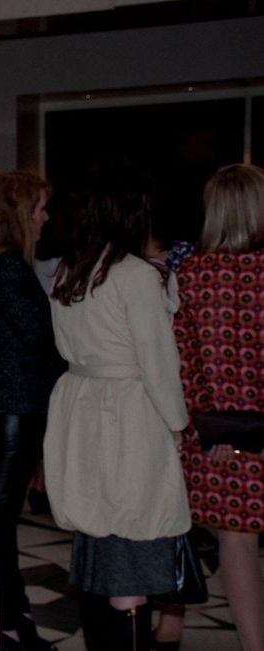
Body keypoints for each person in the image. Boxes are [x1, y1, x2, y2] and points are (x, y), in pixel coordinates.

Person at [43, 165, 190, 650]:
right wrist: (177, 425)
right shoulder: (134, 276)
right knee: (132, 550)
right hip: (129, 416)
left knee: (97, 549)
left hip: (80, 410)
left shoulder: (71, 269)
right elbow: (157, 360)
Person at [158, 163, 263, 651]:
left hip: (224, 440)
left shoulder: (194, 276)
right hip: (239, 433)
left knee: (236, 547)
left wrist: (205, 431)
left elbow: (186, 366)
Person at [0, 170, 65, 650]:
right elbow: (41, 338)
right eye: (40, 207)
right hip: (15, 408)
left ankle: (8, 610)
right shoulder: (7, 268)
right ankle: (0, 617)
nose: (45, 217)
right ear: (20, 212)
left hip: (0, 405)